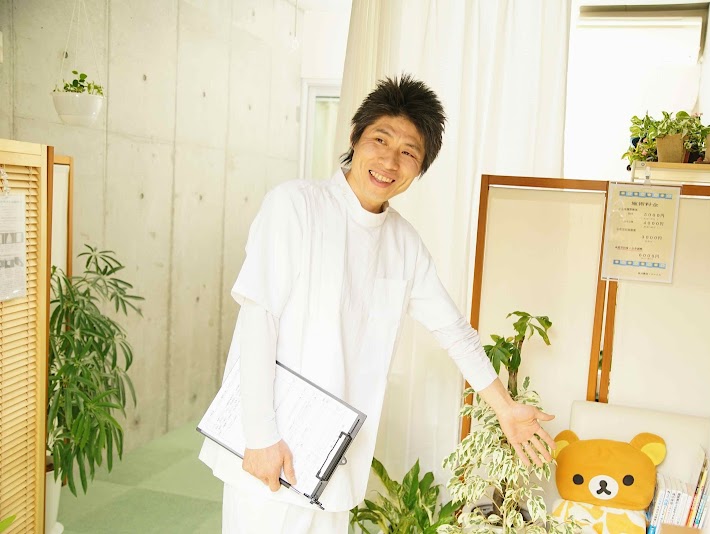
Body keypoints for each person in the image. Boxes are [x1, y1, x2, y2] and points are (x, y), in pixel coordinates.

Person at [199, 74, 557, 533]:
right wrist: (260, 435)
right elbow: (257, 319)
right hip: (271, 444)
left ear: (420, 168)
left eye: (409, 152)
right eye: (380, 140)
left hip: (333, 458)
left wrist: (505, 408)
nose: (389, 161)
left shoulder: (405, 244)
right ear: (355, 137)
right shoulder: (294, 205)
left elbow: (453, 332)